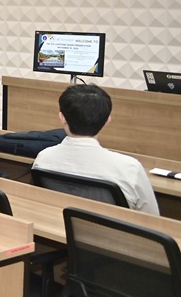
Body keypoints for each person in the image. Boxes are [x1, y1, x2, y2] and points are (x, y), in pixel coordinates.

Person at [33, 84, 158, 214]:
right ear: (107, 120)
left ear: (62, 118)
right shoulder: (130, 168)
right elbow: (151, 217)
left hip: (58, 223)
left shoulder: (43, 158)